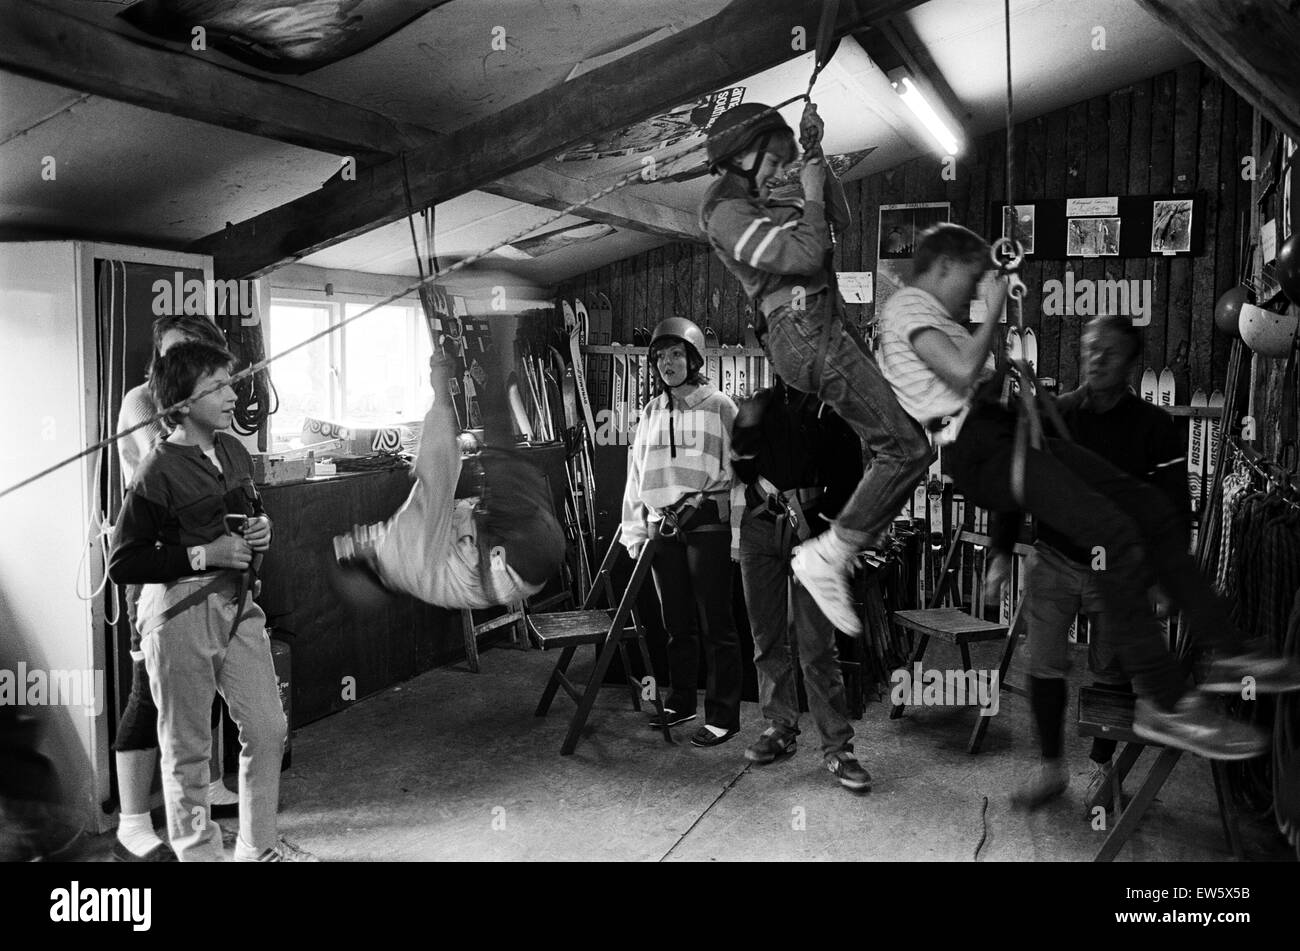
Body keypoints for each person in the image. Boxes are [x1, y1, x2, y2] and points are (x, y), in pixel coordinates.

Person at [876, 222, 1300, 763]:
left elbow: (979, 374)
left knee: (1145, 509)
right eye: (970, 275)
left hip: (1010, 438)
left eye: (1109, 354)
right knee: (1119, 532)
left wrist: (1002, 327)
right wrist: (1000, 305)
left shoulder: (944, 321)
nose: (975, 286)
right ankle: (1163, 701)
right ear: (939, 269)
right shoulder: (911, 316)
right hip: (986, 454)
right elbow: (961, 378)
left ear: (1129, 363)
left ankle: (1230, 653)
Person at [700, 101, 932, 637]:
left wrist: (815, 156)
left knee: (902, 445)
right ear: (742, 156)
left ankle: (835, 548)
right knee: (908, 447)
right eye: (775, 159)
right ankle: (830, 553)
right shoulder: (726, 213)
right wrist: (804, 187)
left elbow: (838, 221)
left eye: (786, 160)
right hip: (802, 331)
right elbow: (806, 257)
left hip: (824, 322)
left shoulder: (763, 197)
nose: (782, 170)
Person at [109, 341, 314, 862]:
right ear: (180, 403)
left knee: (269, 728)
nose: (232, 394)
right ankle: (199, 855)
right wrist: (204, 554)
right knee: (188, 754)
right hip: (178, 617)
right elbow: (124, 564)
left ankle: (256, 846)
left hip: (238, 608)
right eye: (217, 386)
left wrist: (261, 527)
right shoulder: (156, 471)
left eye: (229, 381)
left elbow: (248, 509)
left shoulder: (233, 452)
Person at [1011, 316, 1187, 810]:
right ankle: (1050, 768)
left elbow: (1173, 506)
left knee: (1113, 669)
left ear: (1131, 363)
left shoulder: (1153, 427)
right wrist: (1003, 553)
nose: (1098, 358)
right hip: (1054, 559)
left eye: (1110, 352)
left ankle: (1101, 766)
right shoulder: (1058, 415)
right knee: (1044, 664)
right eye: (1091, 349)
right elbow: (1018, 480)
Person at [112, 314, 235, 862]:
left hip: (208, 576)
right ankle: (132, 820)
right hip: (156, 574)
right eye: (177, 353)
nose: (187, 362)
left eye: (199, 354)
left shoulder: (209, 415)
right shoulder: (144, 403)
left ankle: (201, 790)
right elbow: (171, 465)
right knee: (148, 694)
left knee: (199, 681)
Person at [331, 351, 565, 613]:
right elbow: (436, 475)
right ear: (368, 564)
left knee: (504, 461)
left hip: (531, 562)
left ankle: (489, 369)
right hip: (516, 551)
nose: (356, 532)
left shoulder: (406, 572)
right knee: (498, 444)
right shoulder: (397, 551)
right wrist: (440, 390)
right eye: (354, 544)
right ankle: (487, 358)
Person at [732, 378, 872, 790]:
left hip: (812, 528)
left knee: (817, 647)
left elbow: (851, 478)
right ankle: (779, 728)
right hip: (759, 527)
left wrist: (821, 521)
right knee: (767, 638)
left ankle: (838, 748)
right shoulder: (759, 403)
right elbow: (743, 470)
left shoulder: (831, 406)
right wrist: (744, 431)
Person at [620, 318, 745, 747]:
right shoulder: (652, 413)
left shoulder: (721, 406)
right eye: (659, 357)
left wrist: (739, 536)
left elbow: (744, 473)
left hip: (707, 522)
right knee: (676, 623)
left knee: (717, 624)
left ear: (692, 359)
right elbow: (635, 477)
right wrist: (635, 531)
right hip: (662, 528)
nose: (667, 363)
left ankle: (724, 715)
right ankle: (681, 700)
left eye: (676, 355)